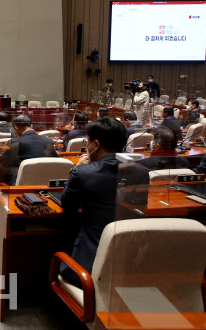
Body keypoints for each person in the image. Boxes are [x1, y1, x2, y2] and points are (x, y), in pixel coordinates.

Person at [59, 117, 148, 284]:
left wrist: (75, 169)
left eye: (88, 142)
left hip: (89, 264)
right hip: (128, 261)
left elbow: (68, 204)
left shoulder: (83, 172)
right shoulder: (141, 172)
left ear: (96, 145)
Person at [1, 114, 58, 184]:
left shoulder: (14, 142)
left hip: (23, 184)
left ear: (16, 128)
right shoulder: (48, 140)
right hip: (46, 183)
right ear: (31, 126)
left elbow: (3, 162)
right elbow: (56, 160)